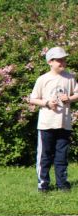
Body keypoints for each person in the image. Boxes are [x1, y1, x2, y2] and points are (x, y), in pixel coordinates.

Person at [29, 46, 78, 192]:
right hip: (46, 124)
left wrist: (69, 98)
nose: (62, 62)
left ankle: (62, 184)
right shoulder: (43, 79)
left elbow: (77, 94)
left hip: (64, 124)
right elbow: (33, 99)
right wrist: (47, 103)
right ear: (50, 62)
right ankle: (43, 185)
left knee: (61, 157)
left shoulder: (69, 78)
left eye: (64, 59)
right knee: (44, 157)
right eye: (59, 60)